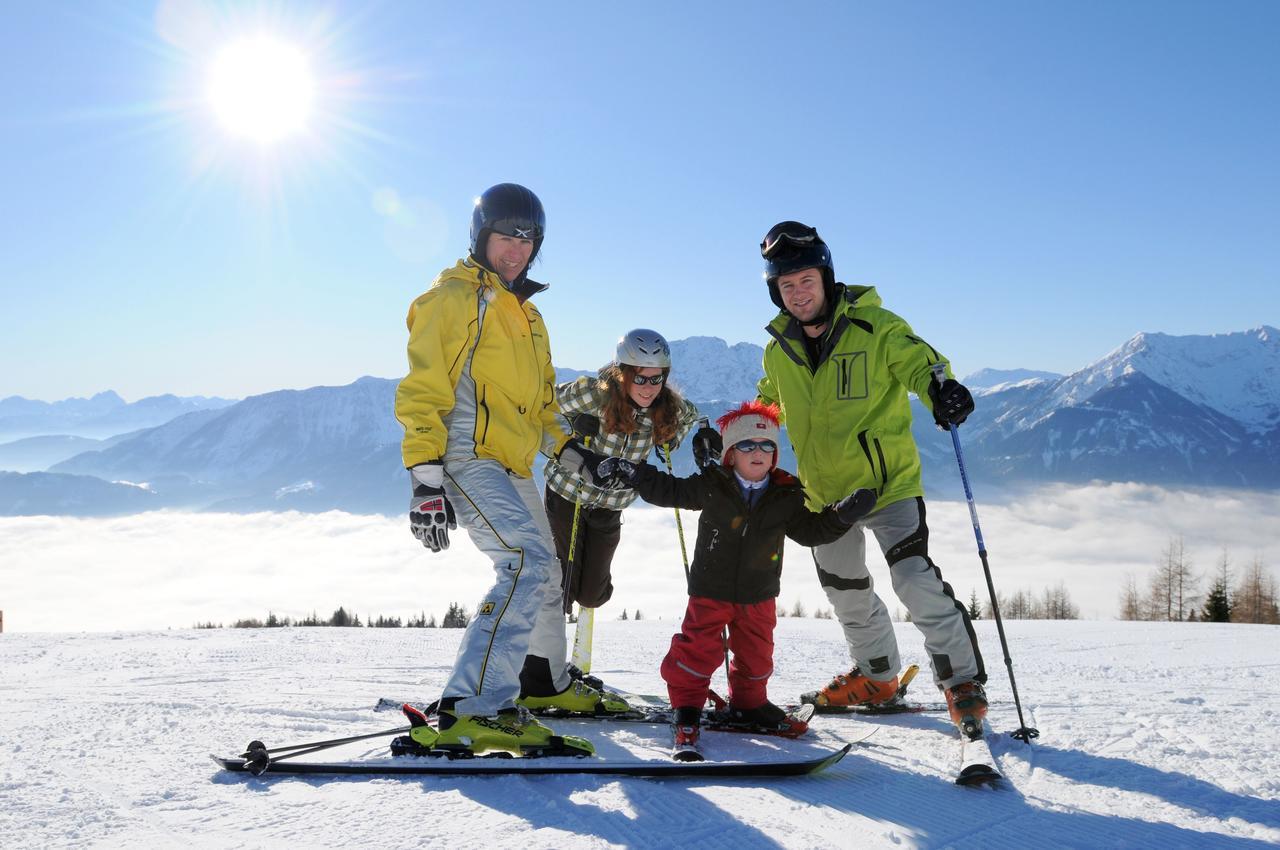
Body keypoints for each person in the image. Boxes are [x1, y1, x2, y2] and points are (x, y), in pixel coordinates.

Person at [392, 183, 624, 757]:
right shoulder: (453, 299)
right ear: (481, 236)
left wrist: (574, 455)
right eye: (505, 236)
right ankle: (471, 708)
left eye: (528, 238)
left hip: (513, 463)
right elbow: (424, 389)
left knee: (545, 574)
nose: (517, 249)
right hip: (468, 457)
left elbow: (543, 408)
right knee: (522, 561)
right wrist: (425, 478)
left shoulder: (529, 315)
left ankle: (537, 686)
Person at [754, 220, 988, 735]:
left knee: (913, 579)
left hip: (887, 486)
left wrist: (942, 391)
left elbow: (922, 363)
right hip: (824, 496)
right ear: (776, 292)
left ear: (827, 277)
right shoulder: (779, 349)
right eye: (786, 285)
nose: (797, 293)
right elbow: (767, 404)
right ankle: (877, 675)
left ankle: (962, 682)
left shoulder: (876, 325)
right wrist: (735, 434)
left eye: (805, 280)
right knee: (845, 589)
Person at [597, 401, 876, 760]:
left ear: (775, 455)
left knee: (757, 657)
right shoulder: (714, 485)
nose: (757, 452)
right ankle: (686, 710)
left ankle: (750, 704)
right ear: (730, 454)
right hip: (710, 590)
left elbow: (810, 531)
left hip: (758, 594)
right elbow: (671, 490)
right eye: (747, 445)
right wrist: (634, 472)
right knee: (695, 652)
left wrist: (842, 515)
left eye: (766, 446)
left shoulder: (785, 494)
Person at [543, 329, 713, 619]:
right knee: (562, 589)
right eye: (640, 378)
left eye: (656, 378)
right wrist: (572, 429)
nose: (649, 387)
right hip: (568, 494)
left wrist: (691, 435)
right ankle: (543, 653)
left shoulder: (667, 407)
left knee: (592, 596)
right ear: (623, 374)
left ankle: (586, 590)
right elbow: (544, 406)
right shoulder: (593, 394)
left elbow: (694, 415)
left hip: (611, 506)